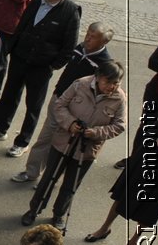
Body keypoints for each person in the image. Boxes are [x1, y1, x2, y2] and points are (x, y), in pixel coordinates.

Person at [0, 0, 82, 150]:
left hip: (41, 66)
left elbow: (69, 46)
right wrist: (14, 49)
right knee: (9, 95)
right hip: (20, 57)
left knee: (33, 105)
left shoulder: (70, 11)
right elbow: (23, 23)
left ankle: (22, 142)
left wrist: (53, 65)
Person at [22, 61, 127, 232]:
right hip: (63, 141)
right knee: (49, 177)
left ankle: (58, 215)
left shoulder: (119, 98)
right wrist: (70, 123)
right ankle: (34, 209)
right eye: (108, 82)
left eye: (116, 83)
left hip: (87, 149)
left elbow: (119, 125)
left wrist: (96, 132)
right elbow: (59, 105)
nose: (112, 86)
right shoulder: (81, 84)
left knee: (71, 184)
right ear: (98, 77)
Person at [14, 22, 119, 185]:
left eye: (93, 37)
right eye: (88, 34)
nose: (87, 38)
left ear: (103, 42)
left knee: (64, 148)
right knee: (45, 138)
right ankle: (31, 172)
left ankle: (50, 180)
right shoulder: (80, 48)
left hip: (77, 111)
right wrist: (57, 91)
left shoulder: (104, 64)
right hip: (60, 100)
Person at [85, 47, 158, 245]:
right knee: (123, 192)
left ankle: (132, 244)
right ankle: (104, 228)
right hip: (148, 152)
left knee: (150, 209)